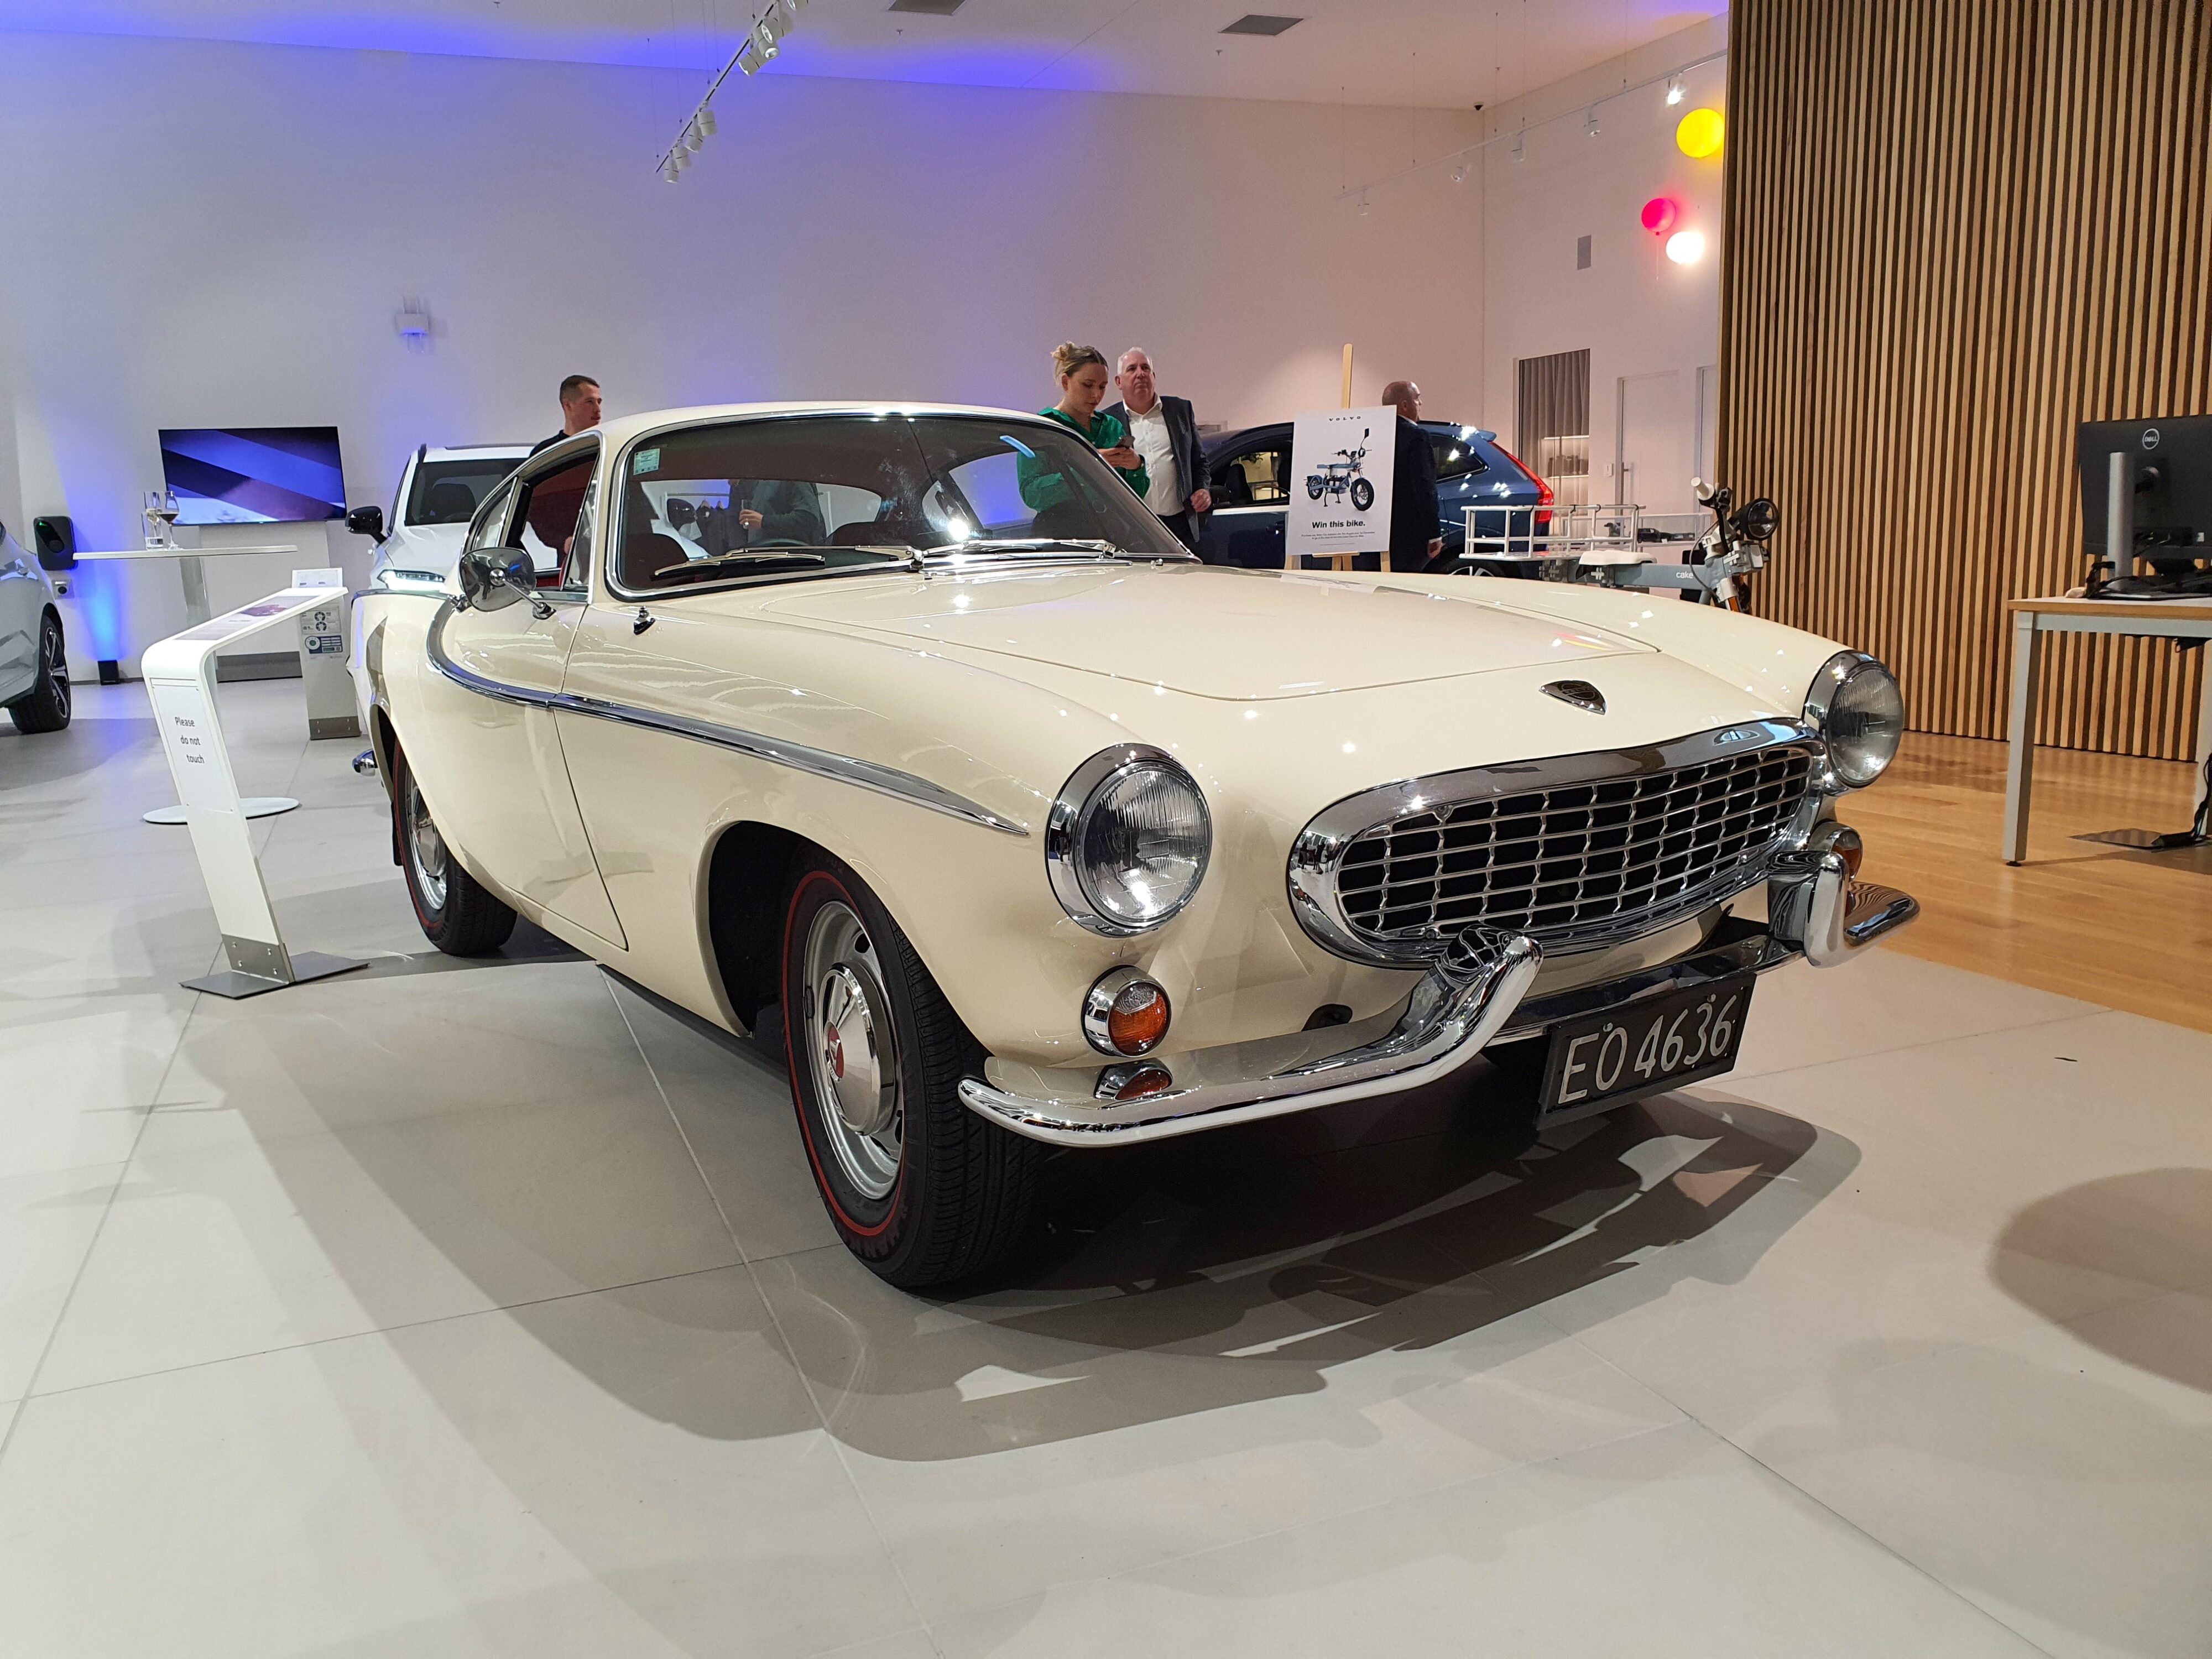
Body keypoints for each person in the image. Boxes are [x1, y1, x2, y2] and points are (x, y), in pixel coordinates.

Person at [1102, 348, 1211, 550]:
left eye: (1145, 368)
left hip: (1180, 526)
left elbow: (1199, 461)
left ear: (1154, 376)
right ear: (1119, 382)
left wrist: (1202, 488)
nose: (1140, 374)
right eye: (1132, 369)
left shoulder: (1181, 411)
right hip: (1133, 529)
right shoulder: (1108, 422)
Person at [1019, 342, 1147, 510]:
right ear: (1066, 382)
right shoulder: (1042, 428)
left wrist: (1136, 467)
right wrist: (1088, 468)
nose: (1096, 395)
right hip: (1066, 531)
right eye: (1088, 385)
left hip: (1117, 532)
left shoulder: (1112, 426)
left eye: (1103, 387)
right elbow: (1032, 494)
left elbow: (1136, 496)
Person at [1379, 378, 1442, 573]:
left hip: (1375, 534)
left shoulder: (1374, 434)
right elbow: (1424, 487)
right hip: (1408, 535)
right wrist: (1434, 534)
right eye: (1417, 399)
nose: (1420, 404)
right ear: (1404, 406)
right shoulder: (1417, 437)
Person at [531, 375, 603, 455]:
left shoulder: (605, 447)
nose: (598, 409)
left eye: (599, 402)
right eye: (590, 402)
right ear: (568, 405)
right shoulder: (545, 452)